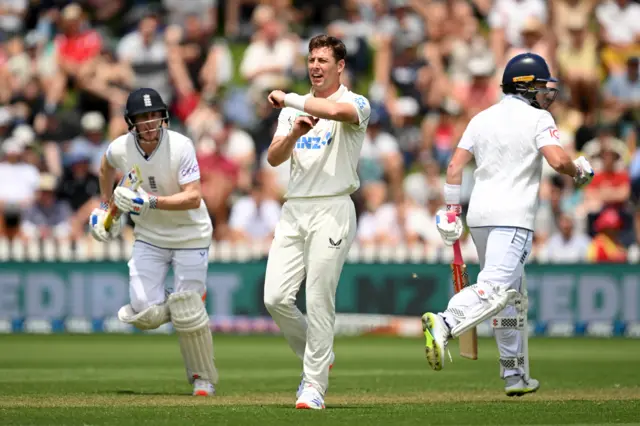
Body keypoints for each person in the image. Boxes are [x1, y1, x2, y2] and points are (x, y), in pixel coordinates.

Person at [421, 53, 595, 396]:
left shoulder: (481, 118)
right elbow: (557, 159)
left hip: (482, 217)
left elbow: (454, 167)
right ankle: (444, 322)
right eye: (542, 85)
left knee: (512, 299)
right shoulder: (538, 118)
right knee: (497, 289)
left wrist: (452, 211)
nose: (547, 92)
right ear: (526, 86)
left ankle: (515, 375)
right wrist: (579, 171)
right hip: (513, 217)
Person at [263, 34, 371, 410]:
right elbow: (274, 159)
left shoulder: (356, 102)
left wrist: (290, 98)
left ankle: (313, 386)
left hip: (333, 208)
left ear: (339, 66)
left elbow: (338, 114)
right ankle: (319, 353)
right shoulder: (292, 111)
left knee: (319, 299)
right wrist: (294, 130)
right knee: (275, 297)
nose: (315, 66)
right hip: (294, 209)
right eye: (311, 59)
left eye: (323, 60)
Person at [88, 88, 217, 397]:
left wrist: (150, 203)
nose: (150, 122)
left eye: (154, 115)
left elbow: (194, 197)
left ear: (164, 116)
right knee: (145, 314)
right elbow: (106, 167)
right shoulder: (121, 147)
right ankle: (184, 301)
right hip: (149, 237)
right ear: (131, 121)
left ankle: (202, 379)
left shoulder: (181, 145)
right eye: (143, 117)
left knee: (188, 316)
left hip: (191, 234)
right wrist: (107, 206)